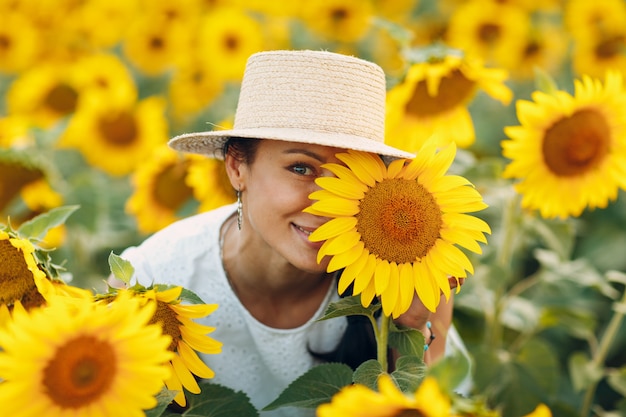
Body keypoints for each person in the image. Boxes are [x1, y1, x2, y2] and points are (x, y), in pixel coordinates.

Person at [117, 50, 469, 416]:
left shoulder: (397, 278)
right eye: (301, 168)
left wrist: (411, 331)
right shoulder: (155, 279)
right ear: (237, 167)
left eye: (350, 179)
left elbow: (431, 403)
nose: (328, 203)